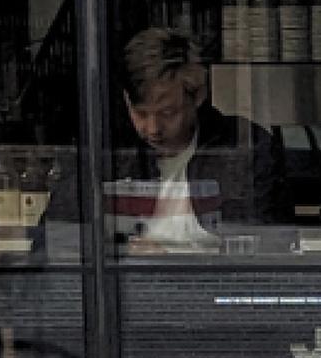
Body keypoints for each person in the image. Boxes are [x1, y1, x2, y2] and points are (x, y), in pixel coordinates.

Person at [94, 26, 287, 249]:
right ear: (127, 101)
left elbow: (269, 245)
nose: (152, 128)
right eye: (141, 113)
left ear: (198, 95)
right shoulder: (109, 152)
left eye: (167, 113)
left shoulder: (246, 147)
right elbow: (59, 238)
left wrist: (169, 259)